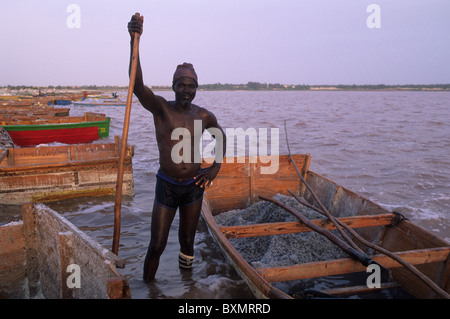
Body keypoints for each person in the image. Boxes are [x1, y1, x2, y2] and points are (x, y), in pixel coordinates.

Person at [127, 14, 226, 281]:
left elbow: (221, 137)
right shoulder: (161, 109)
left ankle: (187, 288)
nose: (185, 90)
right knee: (157, 244)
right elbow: (136, 85)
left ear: (196, 89)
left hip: (194, 187)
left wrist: (215, 167)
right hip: (167, 185)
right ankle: (149, 287)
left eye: (190, 86)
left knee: (187, 242)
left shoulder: (203, 116)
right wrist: (134, 42)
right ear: (173, 86)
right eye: (181, 85)